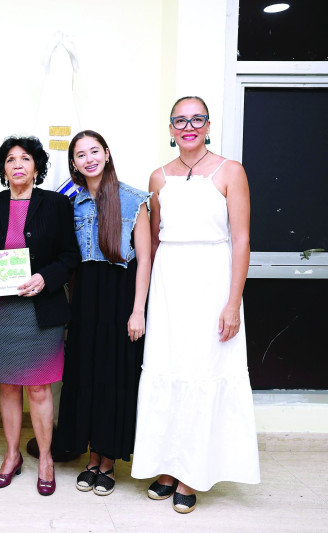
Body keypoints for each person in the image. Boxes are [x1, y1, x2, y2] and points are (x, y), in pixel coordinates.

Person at [131, 96, 260, 513]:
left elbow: (241, 240)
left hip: (211, 284)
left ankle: (192, 472)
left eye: (196, 119)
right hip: (169, 286)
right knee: (169, 371)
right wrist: (142, 304)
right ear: (170, 129)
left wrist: (232, 303)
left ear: (208, 125)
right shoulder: (157, 178)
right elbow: (149, 244)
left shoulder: (230, 171)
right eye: (180, 120)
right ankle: (167, 466)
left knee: (203, 372)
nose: (188, 126)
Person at [0, 136, 79, 496]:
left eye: (25, 158)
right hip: (1, 313)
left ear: (37, 166)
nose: (18, 164)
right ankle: (11, 455)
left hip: (41, 310)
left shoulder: (56, 204)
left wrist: (45, 278)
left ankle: (46, 458)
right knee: (7, 386)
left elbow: (70, 257)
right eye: (10, 159)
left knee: (38, 386)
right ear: (2, 169)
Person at [54, 130, 151, 496]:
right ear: (74, 164)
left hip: (120, 297)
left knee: (114, 377)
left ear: (107, 154)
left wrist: (138, 310)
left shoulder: (134, 199)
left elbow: (145, 260)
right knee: (86, 376)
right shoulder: (72, 204)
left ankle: (108, 460)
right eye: (81, 155)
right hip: (85, 299)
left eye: (95, 151)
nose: (89, 158)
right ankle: (91, 458)